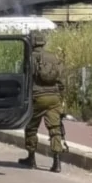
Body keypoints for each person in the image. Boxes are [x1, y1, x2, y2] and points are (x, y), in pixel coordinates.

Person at [19, 29, 66, 172]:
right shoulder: (54, 57)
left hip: (37, 97)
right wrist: (61, 97)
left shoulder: (29, 58)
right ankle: (57, 162)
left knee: (31, 127)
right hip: (54, 98)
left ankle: (31, 158)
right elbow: (61, 81)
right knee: (55, 129)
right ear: (43, 42)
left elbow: (24, 79)